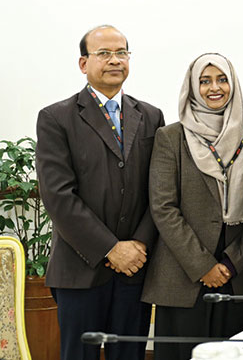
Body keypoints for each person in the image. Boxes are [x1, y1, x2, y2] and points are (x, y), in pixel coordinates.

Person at [35, 25, 164, 360]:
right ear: (83, 63)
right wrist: (110, 248)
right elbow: (59, 197)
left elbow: (160, 189)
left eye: (121, 53)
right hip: (80, 270)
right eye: (104, 53)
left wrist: (139, 245)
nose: (114, 60)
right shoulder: (56, 118)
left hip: (136, 269)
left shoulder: (151, 116)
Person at [141, 54, 243, 359]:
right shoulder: (171, 137)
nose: (214, 88)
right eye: (205, 81)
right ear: (193, 87)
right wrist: (203, 266)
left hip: (236, 276)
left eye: (222, 80)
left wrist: (232, 262)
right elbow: (163, 207)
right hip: (183, 275)